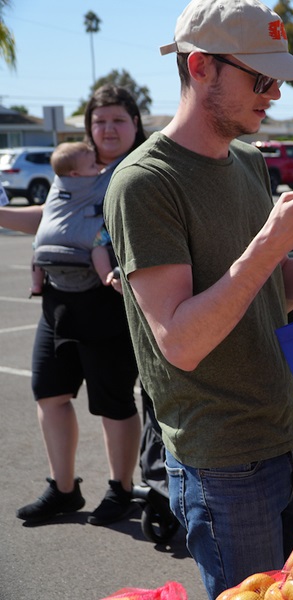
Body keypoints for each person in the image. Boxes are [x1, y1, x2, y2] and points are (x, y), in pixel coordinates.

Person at [103, 0, 293, 597]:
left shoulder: (250, 163)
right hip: (223, 465)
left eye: (277, 79)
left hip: (289, 442)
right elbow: (180, 341)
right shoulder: (145, 184)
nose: (274, 95)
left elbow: (270, 293)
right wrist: (271, 240)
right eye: (261, 78)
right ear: (200, 67)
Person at [5, 85, 149, 527]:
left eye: (118, 120)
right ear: (88, 127)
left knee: (113, 402)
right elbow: (47, 219)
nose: (107, 128)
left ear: (135, 125)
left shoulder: (140, 171)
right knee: (49, 394)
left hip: (107, 303)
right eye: (99, 120)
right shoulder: (70, 169)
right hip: (57, 303)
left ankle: (121, 488)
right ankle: (63, 490)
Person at [30, 142, 116, 297]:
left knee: (36, 250)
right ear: (75, 174)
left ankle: (36, 284)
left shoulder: (56, 185)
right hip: (80, 237)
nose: (97, 169)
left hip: (45, 236)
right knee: (99, 245)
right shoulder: (91, 184)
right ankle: (105, 276)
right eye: (92, 166)